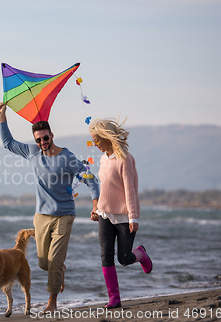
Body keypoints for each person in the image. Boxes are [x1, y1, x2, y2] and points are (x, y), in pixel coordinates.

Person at [0, 102, 100, 312]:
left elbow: (91, 179)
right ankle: (59, 268)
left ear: (51, 135)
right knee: (44, 263)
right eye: (38, 139)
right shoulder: (33, 153)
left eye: (45, 138)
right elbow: (8, 143)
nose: (42, 142)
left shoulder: (67, 157)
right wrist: (1, 116)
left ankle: (51, 303)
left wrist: (95, 204)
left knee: (53, 261)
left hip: (64, 215)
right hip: (41, 216)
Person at [88, 118, 153, 309]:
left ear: (107, 137)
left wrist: (133, 216)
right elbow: (106, 189)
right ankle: (114, 298)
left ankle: (140, 254)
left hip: (125, 217)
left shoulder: (125, 159)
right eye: (93, 140)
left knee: (124, 259)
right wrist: (97, 209)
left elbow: (129, 190)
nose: (95, 144)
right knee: (105, 256)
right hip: (105, 215)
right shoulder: (101, 159)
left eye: (97, 140)